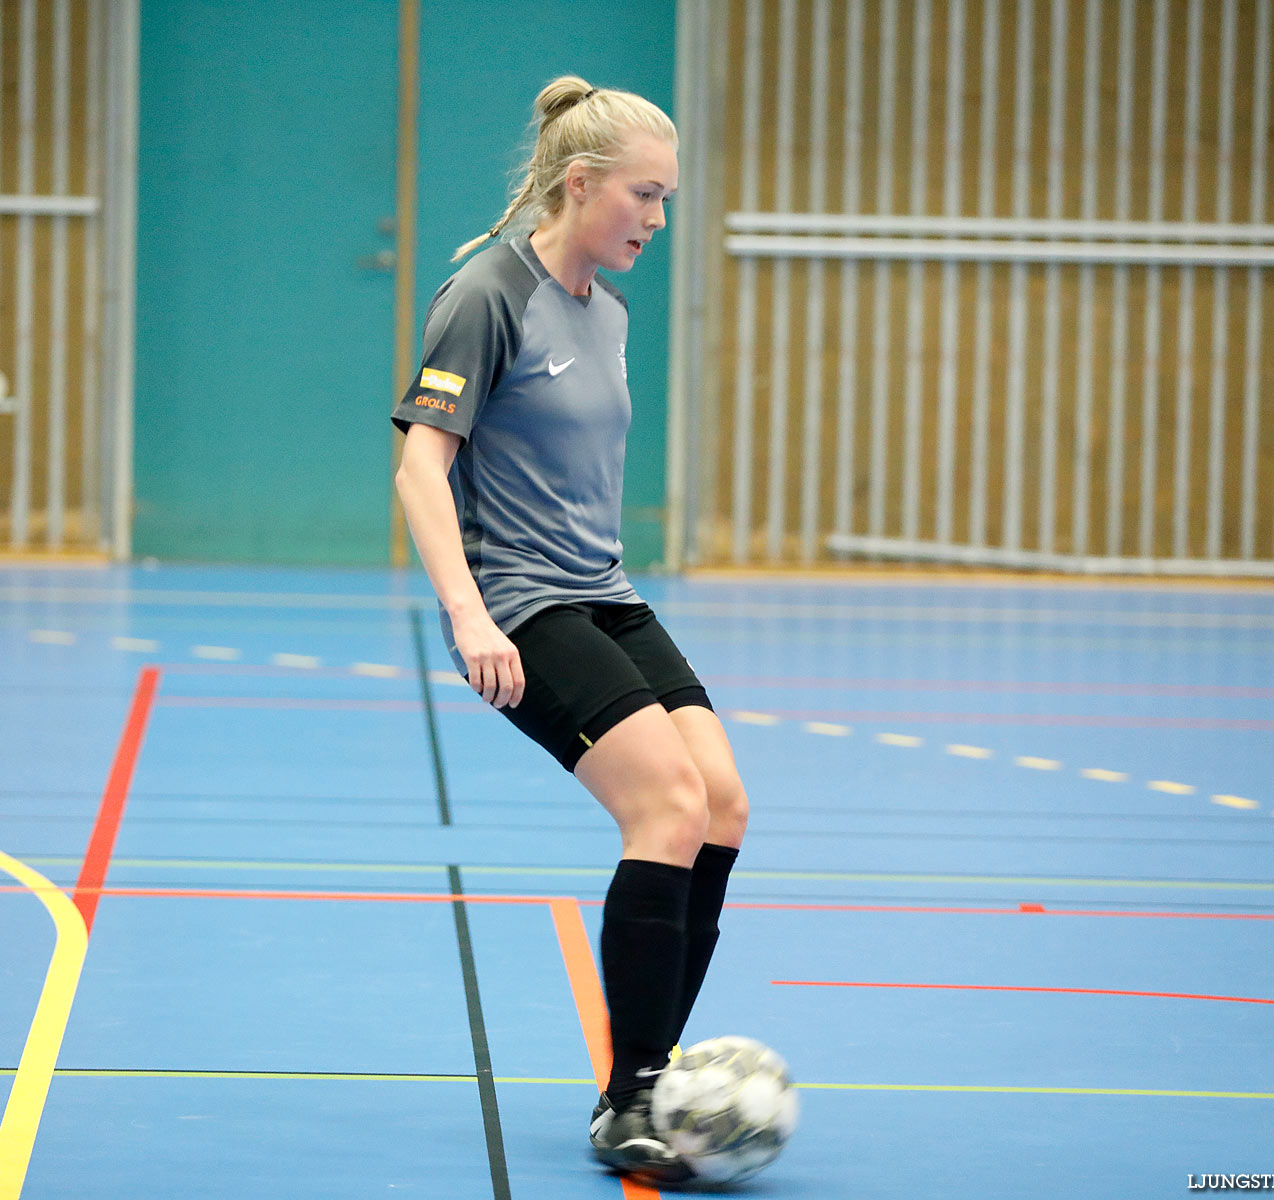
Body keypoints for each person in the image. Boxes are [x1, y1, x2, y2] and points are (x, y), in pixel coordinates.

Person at [391, 76, 749, 1184]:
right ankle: (633, 1099)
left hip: (604, 589)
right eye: (643, 194)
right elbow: (420, 465)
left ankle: (650, 1071)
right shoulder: (486, 293)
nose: (655, 217)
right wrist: (467, 614)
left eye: (667, 199)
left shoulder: (612, 309)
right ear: (579, 183)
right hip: (519, 602)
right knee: (667, 803)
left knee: (723, 804)